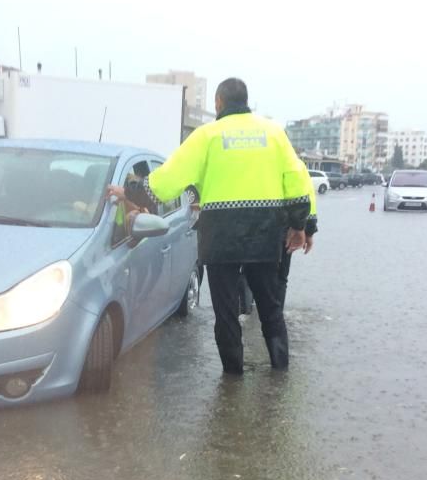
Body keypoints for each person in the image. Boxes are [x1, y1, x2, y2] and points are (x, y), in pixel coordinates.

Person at [118, 77, 317, 374]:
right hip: (264, 236)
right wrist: (303, 226)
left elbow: (170, 179)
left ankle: (232, 380)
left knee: (226, 314)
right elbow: (298, 179)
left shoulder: (207, 136)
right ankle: (279, 375)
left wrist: (130, 192)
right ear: (246, 100)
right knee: (270, 309)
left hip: (220, 238)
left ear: (218, 102)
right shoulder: (273, 133)